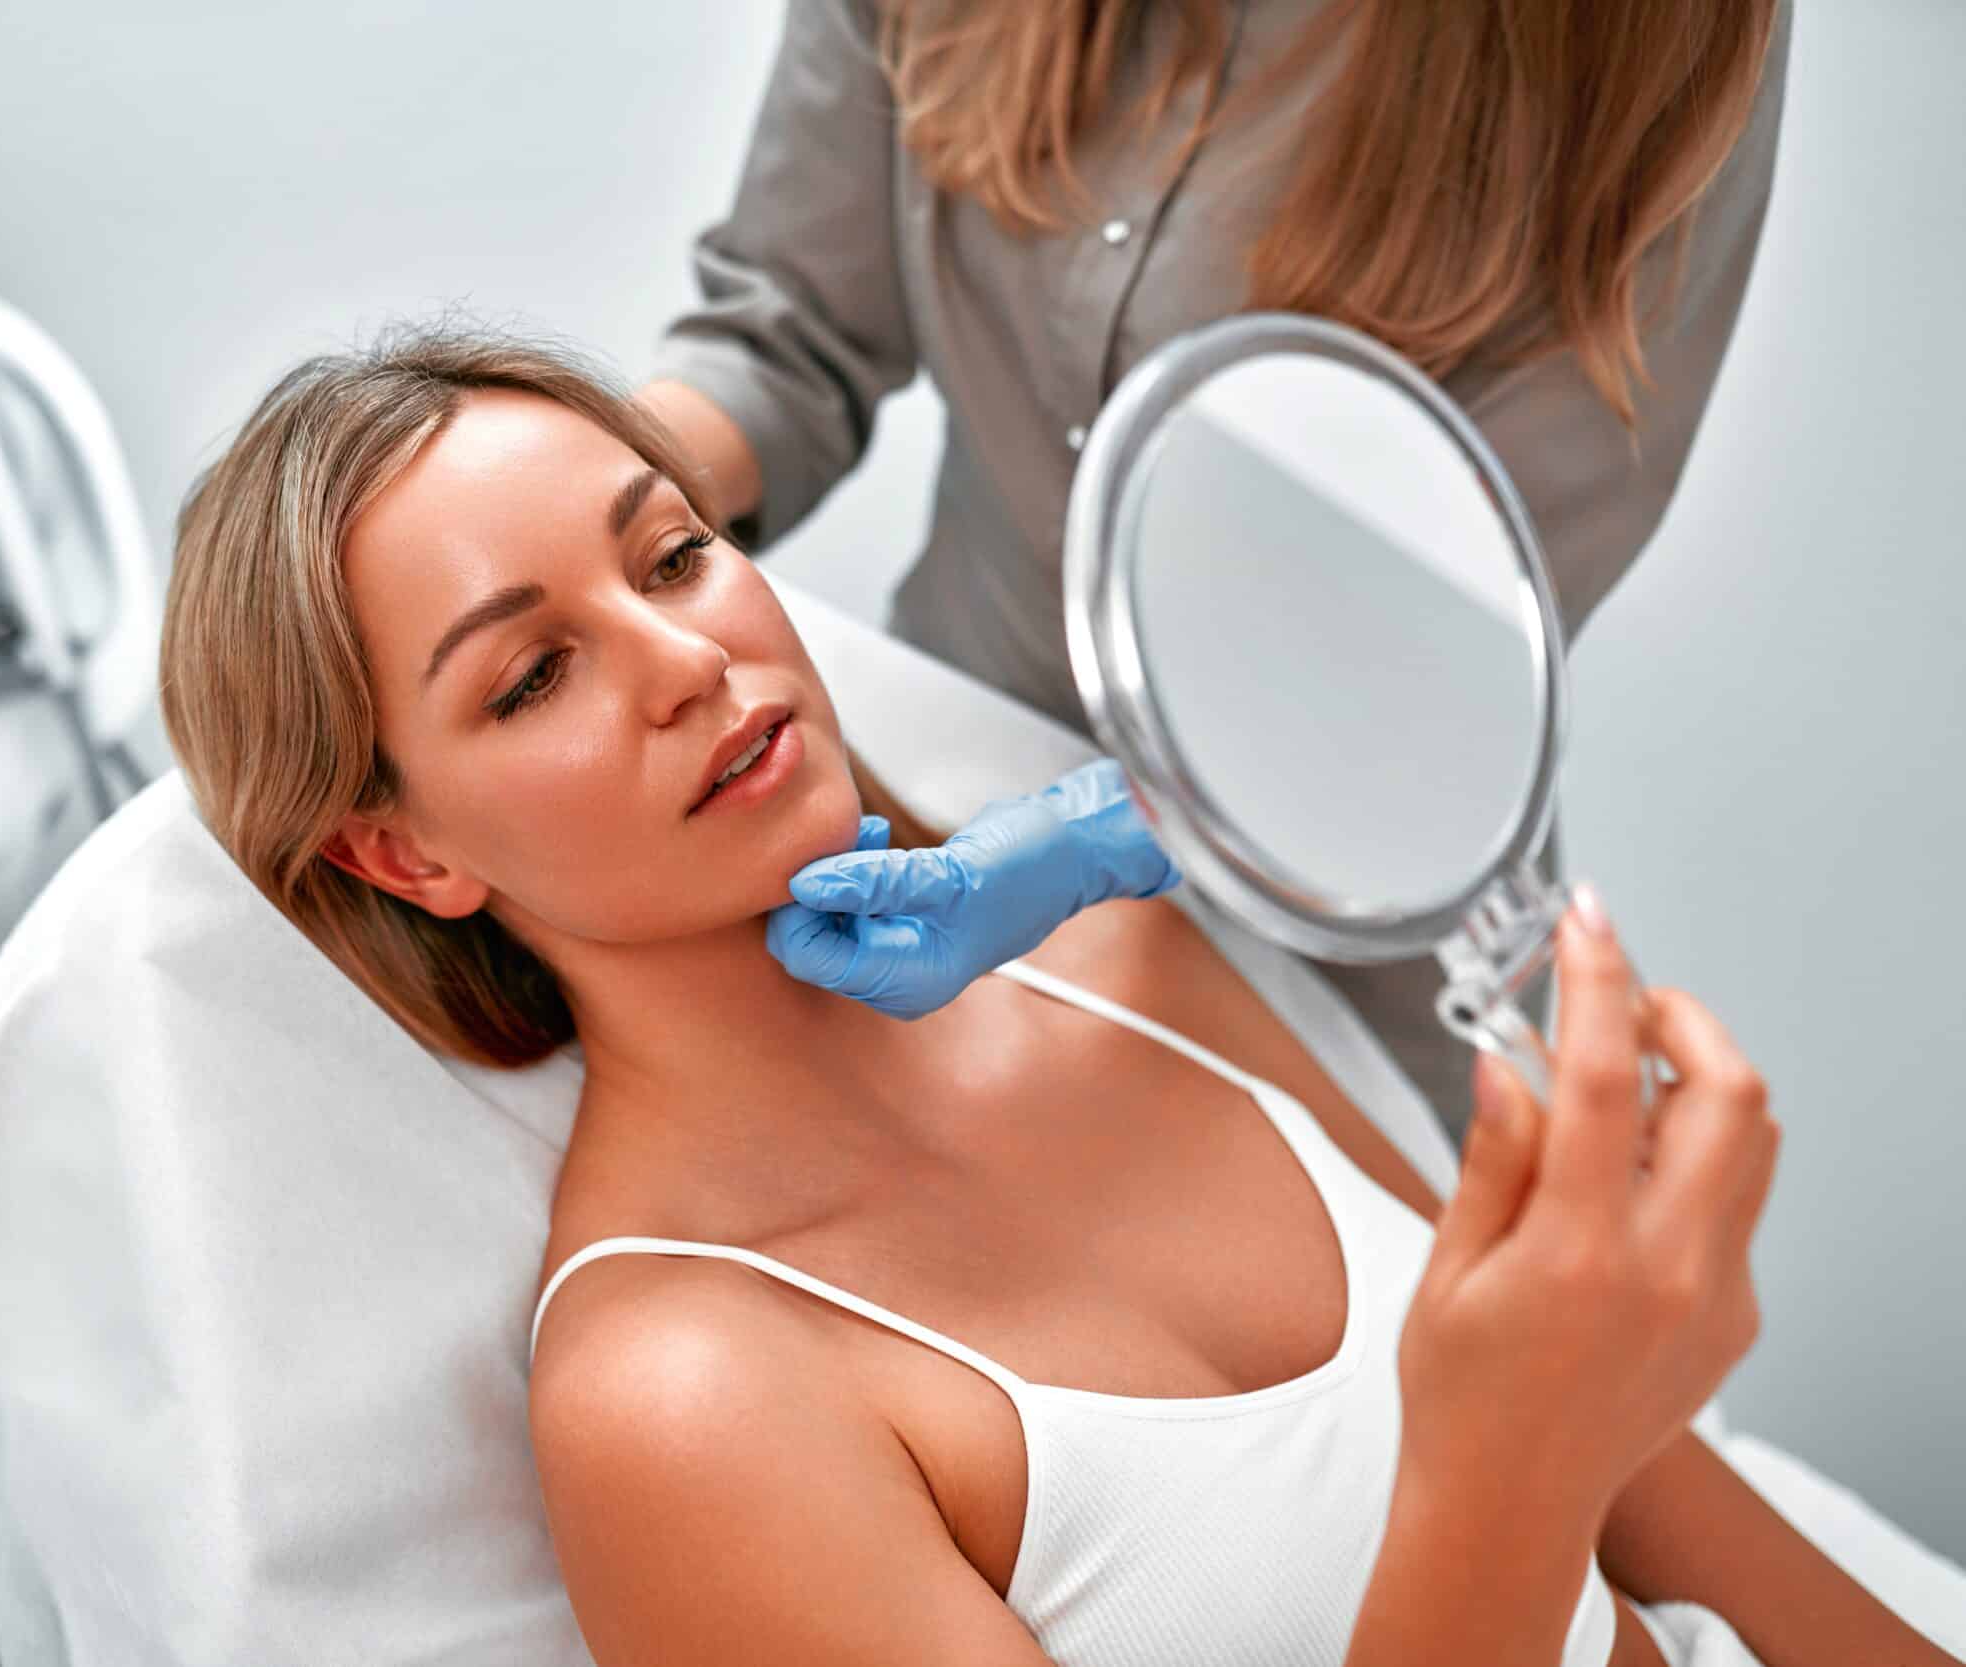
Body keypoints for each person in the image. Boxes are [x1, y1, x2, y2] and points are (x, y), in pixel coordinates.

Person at [156, 324, 1964, 1666]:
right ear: (406, 856)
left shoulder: (1134, 963)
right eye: (536, 670)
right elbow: (1554, 1468)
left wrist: (1577, 1433)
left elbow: (1686, 1519)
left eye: (678, 551)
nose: (687, 657)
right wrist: (1502, 1474)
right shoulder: (687, 1395)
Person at [643, 0, 1794, 1139]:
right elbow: (785, 337)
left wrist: (1104, 832)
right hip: (943, 776)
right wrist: (591, 483)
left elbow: (1454, 635)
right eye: (529, 677)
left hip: (1334, 933)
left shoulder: (1641, 34)